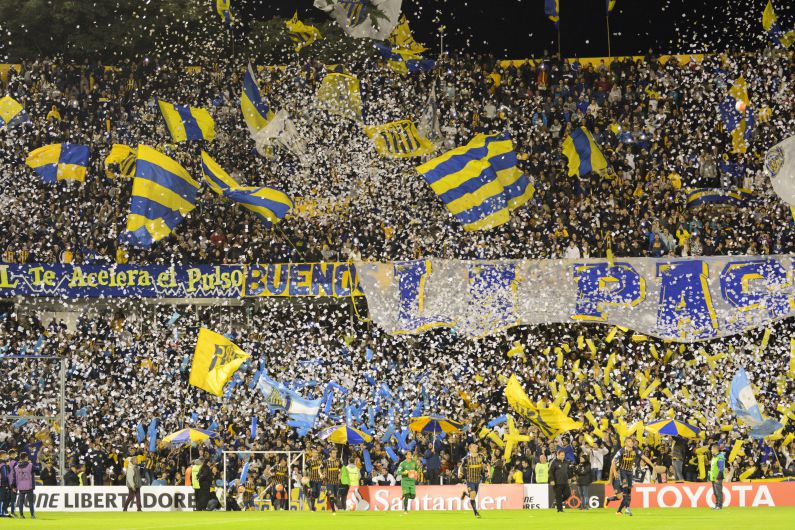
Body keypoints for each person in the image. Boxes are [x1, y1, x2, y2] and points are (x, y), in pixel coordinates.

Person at [606, 437, 655, 516]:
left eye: (631, 441)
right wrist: (614, 473)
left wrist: (653, 466)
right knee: (625, 491)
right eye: (629, 441)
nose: (631, 442)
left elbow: (644, 457)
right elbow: (613, 461)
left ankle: (619, 510)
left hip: (630, 472)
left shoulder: (635, 449)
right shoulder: (621, 451)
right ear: (625, 443)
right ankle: (627, 509)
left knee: (628, 493)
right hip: (622, 471)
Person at [457, 443, 484, 518]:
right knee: (473, 495)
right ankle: (476, 513)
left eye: (476, 446)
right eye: (474, 446)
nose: (476, 447)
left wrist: (487, 472)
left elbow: (486, 464)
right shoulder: (466, 458)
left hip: (477, 479)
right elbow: (461, 466)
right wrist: (459, 473)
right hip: (469, 479)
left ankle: (465, 494)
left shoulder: (480, 456)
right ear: (470, 448)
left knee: (473, 496)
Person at [12, 452, 35, 519]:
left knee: (21, 502)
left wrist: (13, 486)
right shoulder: (30, 465)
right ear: (26, 458)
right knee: (31, 502)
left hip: (20, 486)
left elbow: (14, 478)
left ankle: (21, 515)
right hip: (29, 486)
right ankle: (32, 515)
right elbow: (37, 469)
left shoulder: (16, 467)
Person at [708, 443, 726, 510]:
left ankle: (719, 506)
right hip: (713, 477)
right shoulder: (714, 457)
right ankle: (716, 505)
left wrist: (718, 478)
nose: (711, 450)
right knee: (715, 492)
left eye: (712, 449)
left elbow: (721, 469)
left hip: (717, 478)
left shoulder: (720, 457)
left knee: (718, 492)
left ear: (716, 449)